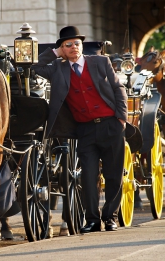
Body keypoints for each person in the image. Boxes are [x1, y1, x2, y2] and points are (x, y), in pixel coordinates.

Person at [31, 26, 129, 233]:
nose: (74, 47)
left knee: (113, 175)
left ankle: (110, 217)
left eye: (77, 43)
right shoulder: (58, 68)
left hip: (111, 125)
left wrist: (121, 118)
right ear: (62, 49)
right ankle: (92, 220)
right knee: (88, 177)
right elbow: (35, 68)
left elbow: (117, 88)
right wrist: (55, 53)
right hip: (84, 130)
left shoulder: (101, 61)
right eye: (68, 45)